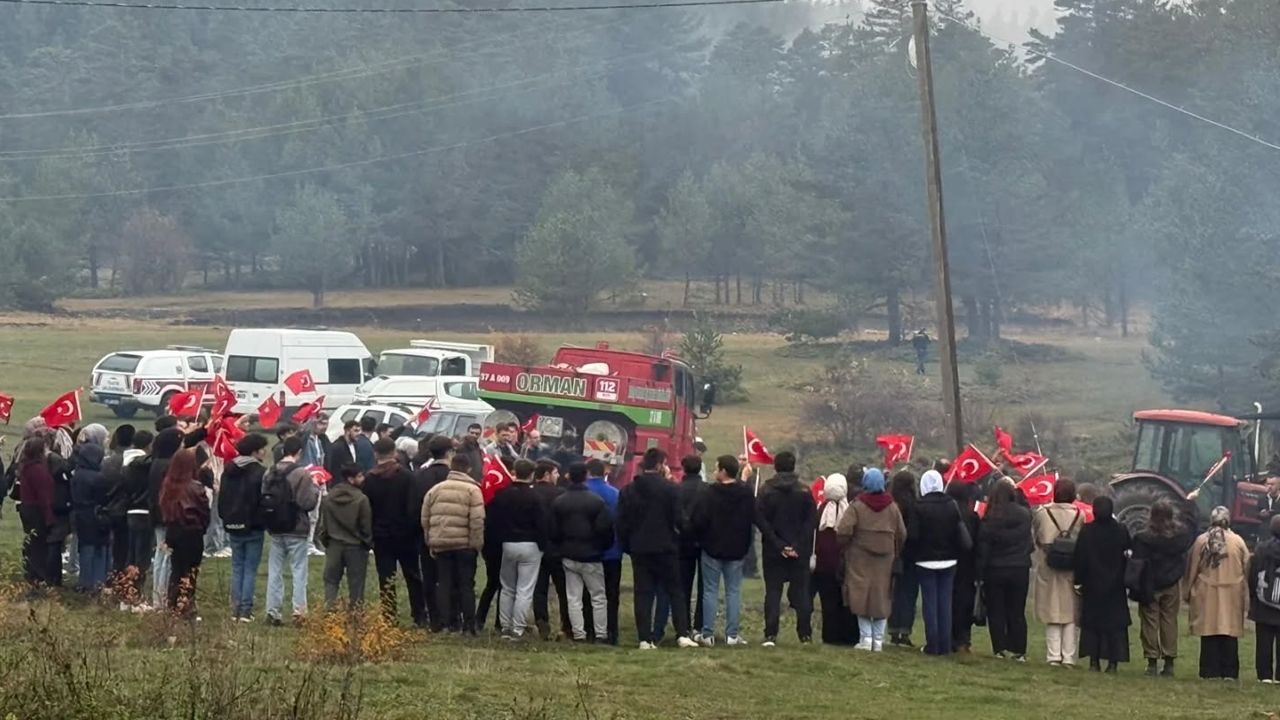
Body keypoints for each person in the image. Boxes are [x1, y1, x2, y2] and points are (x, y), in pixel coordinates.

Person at [617, 448, 697, 649]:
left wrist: (628, 545)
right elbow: (679, 519)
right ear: (661, 465)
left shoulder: (629, 490)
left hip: (639, 547)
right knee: (675, 591)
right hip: (666, 546)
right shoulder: (670, 489)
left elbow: (621, 522)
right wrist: (683, 535)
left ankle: (644, 638)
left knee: (643, 593)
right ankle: (682, 634)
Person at [837, 466, 905, 652]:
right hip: (885, 560)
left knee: (861, 595)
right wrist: (894, 550)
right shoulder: (892, 507)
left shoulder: (857, 506)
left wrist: (846, 546)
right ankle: (878, 640)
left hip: (859, 558)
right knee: (882, 596)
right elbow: (902, 533)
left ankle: (865, 639)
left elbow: (843, 530)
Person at [690, 455, 755, 647]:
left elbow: (699, 520)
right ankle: (732, 634)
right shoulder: (745, 493)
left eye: (717, 468)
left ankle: (707, 633)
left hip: (712, 547)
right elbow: (752, 517)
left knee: (710, 590)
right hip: (737, 548)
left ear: (724, 471)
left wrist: (699, 537)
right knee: (733, 591)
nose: (714, 470)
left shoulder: (709, 493)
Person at [755, 450, 816, 647]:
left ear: (775, 466)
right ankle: (805, 634)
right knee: (802, 592)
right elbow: (811, 521)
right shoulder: (804, 491)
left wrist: (778, 544)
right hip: (800, 551)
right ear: (793, 466)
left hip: (773, 550)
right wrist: (797, 545)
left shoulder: (766, 491)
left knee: (773, 592)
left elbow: (760, 520)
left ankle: (770, 634)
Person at [487, 455, 549, 640]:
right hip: (530, 545)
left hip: (507, 544)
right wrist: (543, 545)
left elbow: (493, 520)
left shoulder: (502, 494)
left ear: (515, 472)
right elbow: (542, 524)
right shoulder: (535, 497)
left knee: (507, 587)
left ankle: (505, 626)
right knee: (525, 588)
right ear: (532, 474)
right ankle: (518, 628)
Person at [1132, 498, 1196, 676]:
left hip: (1149, 584)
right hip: (1171, 582)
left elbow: (1137, 561)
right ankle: (1169, 661)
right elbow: (1191, 529)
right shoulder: (1178, 538)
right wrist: (1189, 505)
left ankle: (1152, 660)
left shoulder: (1142, 538)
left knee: (1149, 622)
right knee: (1169, 621)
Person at [364, 437, 425, 624]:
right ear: (395, 452)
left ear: (375, 454)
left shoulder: (369, 479)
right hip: (406, 535)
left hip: (381, 536)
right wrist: (412, 530)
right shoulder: (407, 476)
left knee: (386, 578)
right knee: (413, 576)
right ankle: (419, 615)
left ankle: (389, 616)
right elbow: (414, 507)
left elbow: (367, 509)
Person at [422, 454, 485, 634]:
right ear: (468, 469)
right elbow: (477, 520)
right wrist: (476, 544)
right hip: (465, 545)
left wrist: (430, 541)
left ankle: (445, 623)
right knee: (466, 585)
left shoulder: (435, 490)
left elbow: (425, 519)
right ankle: (469, 625)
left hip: (441, 543)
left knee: (444, 583)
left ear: (451, 467)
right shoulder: (473, 490)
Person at [1186, 505, 1249, 680]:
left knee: (1209, 630)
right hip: (1232, 592)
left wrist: (1187, 589)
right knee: (1229, 631)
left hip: (1207, 591)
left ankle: (1209, 670)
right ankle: (1230, 671)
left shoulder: (1202, 540)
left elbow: (1192, 568)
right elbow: (1246, 566)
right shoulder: (1238, 541)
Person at [264, 436, 321, 626]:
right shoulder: (302, 474)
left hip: (275, 526)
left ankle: (273, 611)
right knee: (299, 571)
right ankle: (299, 612)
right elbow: (307, 503)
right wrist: (316, 488)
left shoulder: (270, 471)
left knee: (275, 571)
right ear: (299, 452)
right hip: (296, 526)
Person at [1073, 496, 1131, 673]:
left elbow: (1080, 557)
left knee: (1092, 623)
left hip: (1092, 584)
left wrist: (1078, 580)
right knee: (1115, 625)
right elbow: (1128, 555)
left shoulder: (1087, 531)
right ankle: (1113, 662)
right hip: (1116, 585)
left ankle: (1094, 661)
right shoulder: (1121, 530)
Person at [977, 481, 1033, 661]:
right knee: (1017, 610)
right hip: (1019, 567)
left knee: (996, 610)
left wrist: (980, 571)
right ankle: (1019, 649)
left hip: (995, 568)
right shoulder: (1024, 515)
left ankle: (999, 647)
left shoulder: (991, 516)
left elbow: (984, 546)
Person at [912, 470, 966, 656]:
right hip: (949, 559)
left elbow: (913, 535)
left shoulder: (919, 506)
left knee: (930, 604)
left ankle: (932, 644)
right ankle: (945, 645)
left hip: (925, 560)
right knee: (945, 603)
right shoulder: (951, 505)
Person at [1033, 478, 1085, 667]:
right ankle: (1069, 656)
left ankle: (1053, 655)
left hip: (1048, 564)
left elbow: (1037, 536)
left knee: (1051, 610)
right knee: (1070, 611)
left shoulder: (1042, 513)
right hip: (1072, 565)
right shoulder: (1079, 514)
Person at [220, 434, 269, 622]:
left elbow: (223, 498)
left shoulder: (228, 470)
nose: (264, 452)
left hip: (232, 524)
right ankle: (246, 609)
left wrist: (226, 517)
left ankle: (235, 608)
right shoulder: (260, 472)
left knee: (237, 566)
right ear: (255, 452)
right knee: (250, 568)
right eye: (262, 449)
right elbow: (263, 499)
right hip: (253, 525)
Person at [478, 460, 529, 633]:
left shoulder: (495, 499)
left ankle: (480, 619)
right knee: (504, 585)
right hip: (503, 544)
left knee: (493, 583)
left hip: (490, 545)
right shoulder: (504, 497)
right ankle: (500, 622)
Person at [158, 449, 210, 617]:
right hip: (192, 532)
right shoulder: (196, 487)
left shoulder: (168, 485)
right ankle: (187, 605)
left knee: (176, 570)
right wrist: (203, 527)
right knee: (191, 571)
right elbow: (204, 512)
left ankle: (173, 604)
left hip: (173, 532)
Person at [410, 435, 454, 628]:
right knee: (450, 576)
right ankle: (451, 617)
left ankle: (434, 617)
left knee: (429, 576)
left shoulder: (420, 475)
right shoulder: (454, 476)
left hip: (426, 532)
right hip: (452, 533)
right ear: (449, 453)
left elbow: (413, 507)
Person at [317, 465, 373, 610]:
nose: (363, 478)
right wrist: (367, 542)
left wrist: (327, 541)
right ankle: (356, 614)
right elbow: (366, 526)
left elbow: (323, 524)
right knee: (356, 584)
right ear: (351, 479)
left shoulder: (329, 497)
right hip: (356, 546)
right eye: (360, 476)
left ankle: (330, 612)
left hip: (334, 544)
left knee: (331, 581)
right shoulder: (361, 499)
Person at [812, 472, 857, 646]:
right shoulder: (850, 509)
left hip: (824, 564)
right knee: (846, 601)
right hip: (845, 562)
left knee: (828, 601)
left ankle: (830, 635)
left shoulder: (821, 510)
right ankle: (849, 635)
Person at [531, 459, 570, 640]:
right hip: (557, 547)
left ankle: (541, 621)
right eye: (555, 473)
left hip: (536, 546)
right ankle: (566, 625)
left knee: (539, 588)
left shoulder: (531, 493)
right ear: (547, 475)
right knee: (563, 589)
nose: (558, 476)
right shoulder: (561, 494)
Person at [584, 458, 622, 644]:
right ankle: (611, 631)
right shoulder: (615, 493)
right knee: (611, 594)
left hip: (587, 551)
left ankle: (589, 629)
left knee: (587, 594)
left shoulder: (583, 492)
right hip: (612, 551)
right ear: (604, 472)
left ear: (588, 472)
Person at [147, 428, 184, 608]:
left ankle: (157, 597)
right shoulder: (170, 465)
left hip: (156, 513)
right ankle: (162, 598)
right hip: (168, 514)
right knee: (167, 557)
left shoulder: (156, 462)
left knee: (160, 555)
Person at [69, 440, 110, 593]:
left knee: (85, 548)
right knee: (98, 549)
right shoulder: (98, 477)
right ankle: (97, 582)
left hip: (80, 514)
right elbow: (103, 498)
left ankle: (84, 582)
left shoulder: (77, 474)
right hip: (95, 514)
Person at [17, 439, 56, 588]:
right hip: (37, 510)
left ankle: (31, 573)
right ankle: (38, 577)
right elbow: (43, 495)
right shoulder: (38, 470)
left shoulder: (26, 467)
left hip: (27, 508)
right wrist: (49, 516)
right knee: (39, 545)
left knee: (32, 541)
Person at [888, 470, 920, 647]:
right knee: (909, 594)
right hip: (911, 555)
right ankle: (905, 631)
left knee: (893, 592)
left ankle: (893, 629)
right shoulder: (914, 505)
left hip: (892, 553)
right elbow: (914, 533)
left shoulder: (891, 504)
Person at [677, 455, 706, 641]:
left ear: (684, 468)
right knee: (705, 587)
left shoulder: (677, 489)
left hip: (682, 542)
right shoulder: (708, 490)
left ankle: (684, 625)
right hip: (704, 541)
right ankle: (699, 625)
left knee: (683, 586)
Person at [102, 424, 136, 583]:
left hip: (110, 506)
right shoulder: (132, 461)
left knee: (113, 544)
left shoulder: (107, 461)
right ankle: (122, 575)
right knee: (126, 545)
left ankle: (112, 572)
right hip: (128, 507)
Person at [1249, 515, 1280, 683]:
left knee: (1263, 641)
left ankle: (1264, 675)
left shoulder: (1261, 549)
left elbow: (1253, 574)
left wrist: (1253, 594)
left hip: (1263, 601)